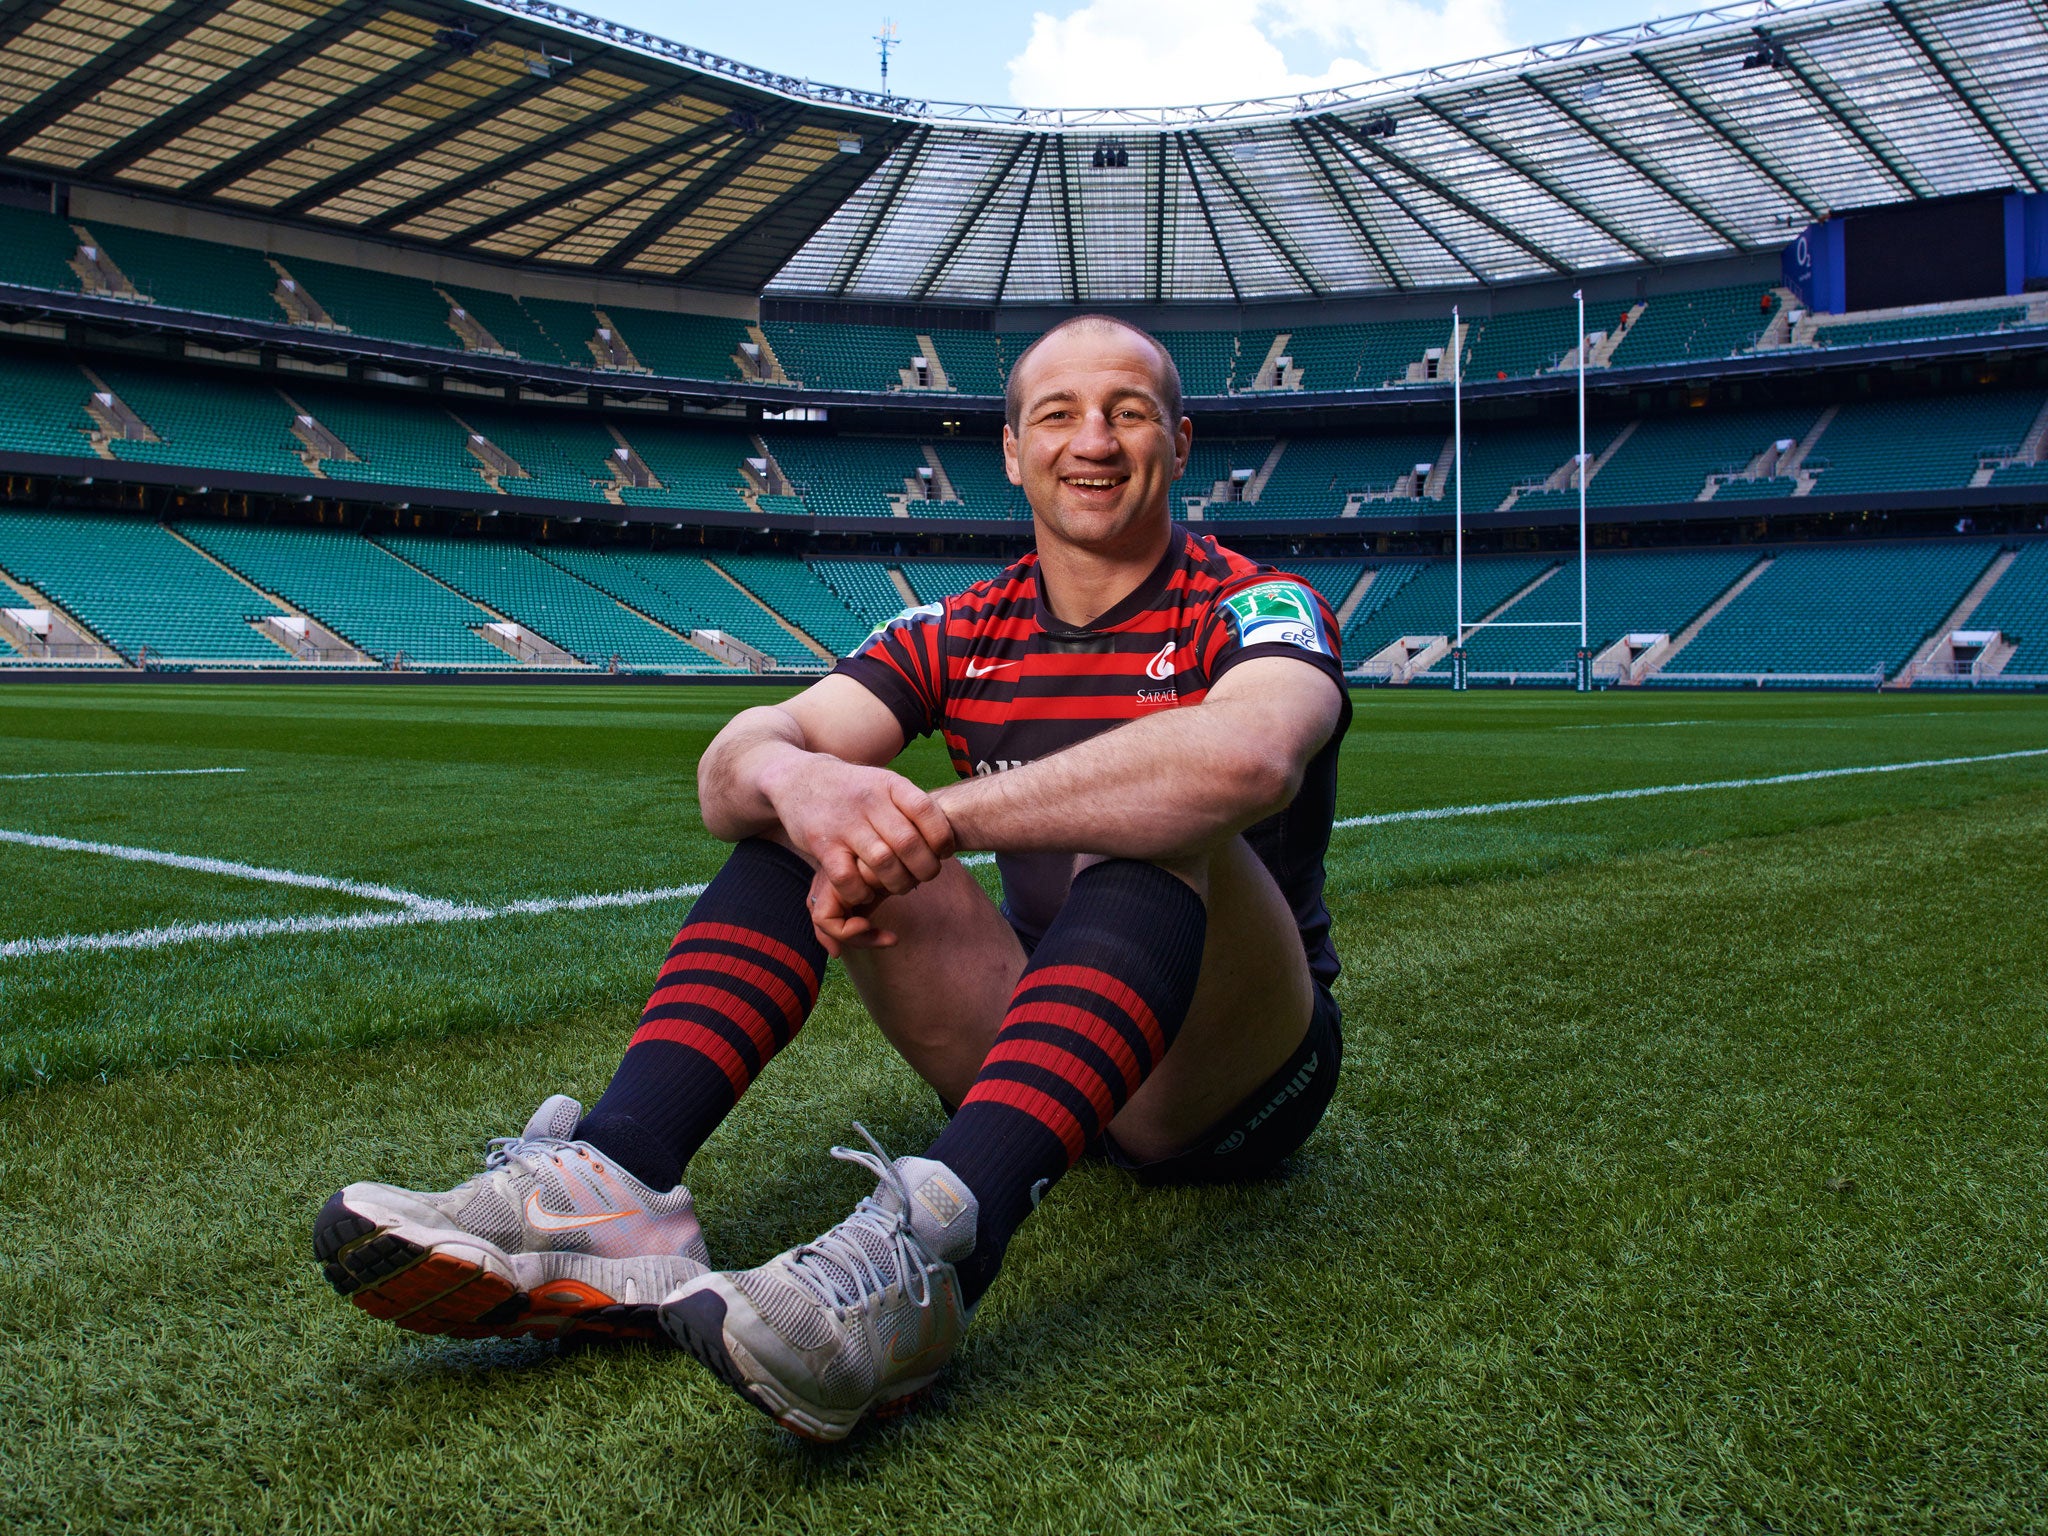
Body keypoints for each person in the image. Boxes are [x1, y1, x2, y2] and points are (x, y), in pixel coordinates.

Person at [313, 314, 1351, 1442]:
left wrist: (935, 818)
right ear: (1012, 451)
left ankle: (936, 1253)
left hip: (1237, 1075)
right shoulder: (958, 625)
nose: (1091, 441)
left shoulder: (1253, 604)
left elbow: (1247, 756)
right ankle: (620, 1179)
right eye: (1056, 415)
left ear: (1180, 442)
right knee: (807, 811)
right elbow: (729, 773)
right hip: (1061, 1043)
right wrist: (803, 787)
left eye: (1127, 412)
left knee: (1152, 811)